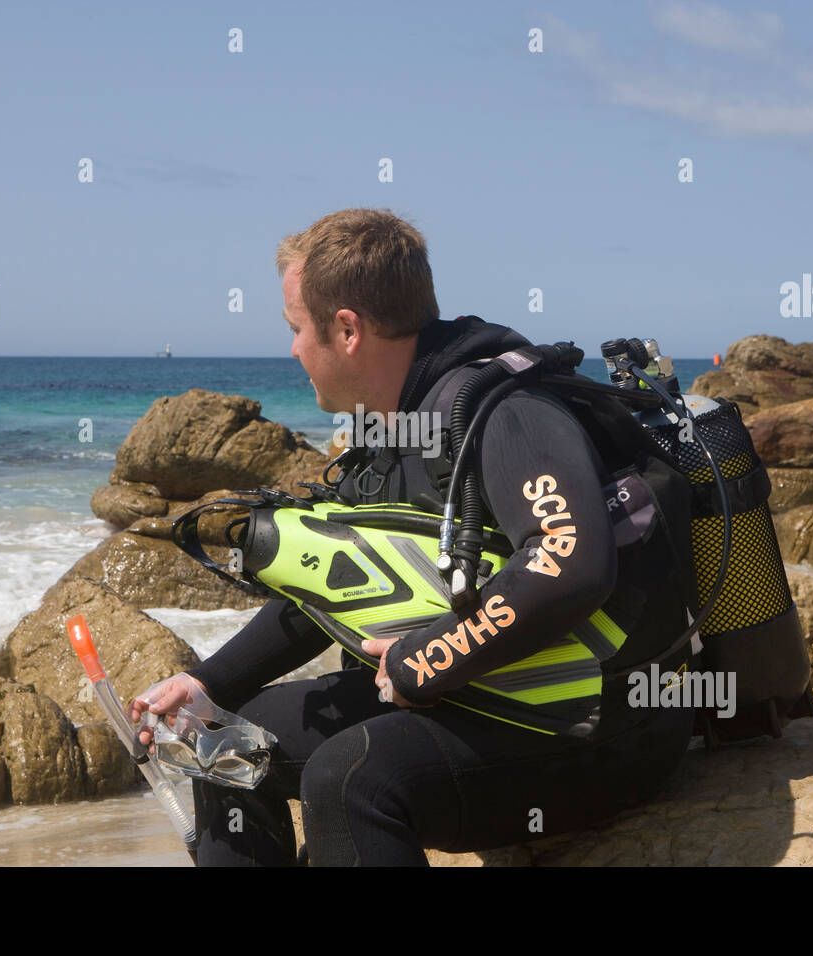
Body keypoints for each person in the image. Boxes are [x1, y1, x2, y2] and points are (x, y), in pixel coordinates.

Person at [130, 208, 695, 866]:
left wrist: (426, 661)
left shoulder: (504, 409)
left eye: (296, 329)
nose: (290, 350)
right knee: (218, 746)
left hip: (600, 723)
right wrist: (207, 686)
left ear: (346, 330)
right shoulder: (387, 427)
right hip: (490, 689)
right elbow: (338, 581)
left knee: (348, 780)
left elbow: (570, 560)